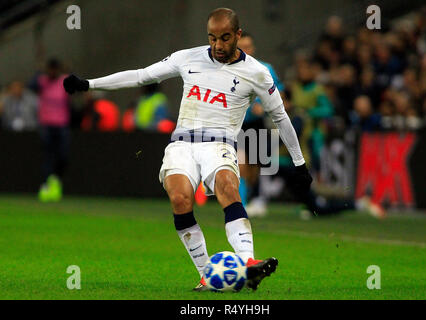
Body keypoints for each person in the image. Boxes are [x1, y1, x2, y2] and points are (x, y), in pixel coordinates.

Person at [63, 8, 312, 291]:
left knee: (228, 188)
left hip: (220, 145)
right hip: (182, 144)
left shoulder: (257, 73)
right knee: (180, 200)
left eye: (225, 38)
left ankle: (248, 262)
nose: (218, 45)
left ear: (238, 35)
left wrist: (300, 163)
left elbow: (280, 117)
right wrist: (88, 84)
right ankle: (207, 274)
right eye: (212, 38)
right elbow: (141, 75)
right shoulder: (187, 57)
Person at [236, 31, 285, 216]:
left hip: (256, 125)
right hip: (237, 125)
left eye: (248, 47)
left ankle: (254, 199)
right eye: (242, 47)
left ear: (253, 48)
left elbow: (278, 91)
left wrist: (263, 105)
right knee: (240, 165)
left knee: (254, 167)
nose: (246, 51)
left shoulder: (264, 69)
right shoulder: (228, 70)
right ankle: (241, 204)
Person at [29, 58, 71, 202]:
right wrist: (39, 71)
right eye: (50, 69)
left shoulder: (64, 80)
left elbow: (76, 82)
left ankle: (55, 180)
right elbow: (31, 85)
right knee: (48, 156)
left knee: (63, 156)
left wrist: (67, 69)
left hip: (61, 124)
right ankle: (46, 185)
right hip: (46, 124)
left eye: (55, 69)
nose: (52, 72)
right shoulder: (42, 80)